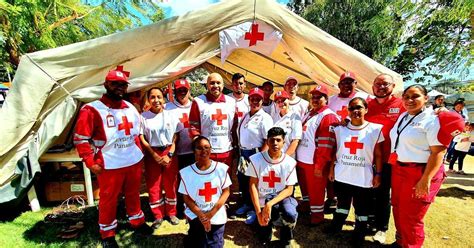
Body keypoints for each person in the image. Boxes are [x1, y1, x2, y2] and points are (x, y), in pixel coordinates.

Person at [73, 66, 151, 248]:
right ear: (106, 84)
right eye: (115, 83)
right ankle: (107, 233)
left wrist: (140, 156)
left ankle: (137, 222)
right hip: (109, 164)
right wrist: (90, 162)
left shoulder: (131, 108)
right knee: (109, 199)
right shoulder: (91, 109)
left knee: (133, 194)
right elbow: (81, 139)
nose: (119, 87)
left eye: (123, 84)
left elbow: (137, 135)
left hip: (132, 161)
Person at [388, 84, 464, 248]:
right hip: (400, 169)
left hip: (421, 171)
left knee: (412, 216)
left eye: (415, 96)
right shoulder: (404, 116)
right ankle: (401, 241)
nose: (409, 100)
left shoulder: (432, 119)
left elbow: (438, 152)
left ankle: (412, 245)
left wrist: (425, 179)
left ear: (426, 98)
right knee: (398, 208)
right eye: (406, 96)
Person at [326, 97, 383, 247]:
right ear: (348, 111)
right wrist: (331, 168)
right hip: (343, 174)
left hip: (363, 177)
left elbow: (378, 155)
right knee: (342, 204)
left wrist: (378, 174)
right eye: (351, 108)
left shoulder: (375, 129)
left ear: (366, 109)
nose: (355, 111)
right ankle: (336, 225)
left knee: (362, 208)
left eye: (359, 107)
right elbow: (335, 151)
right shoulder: (340, 129)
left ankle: (359, 233)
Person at [364, 73, 405, 243]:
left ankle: (382, 228)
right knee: (367, 192)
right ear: (372, 87)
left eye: (385, 84)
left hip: (389, 159)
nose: (381, 87)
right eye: (377, 84)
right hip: (367, 157)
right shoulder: (368, 104)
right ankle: (370, 221)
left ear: (393, 87)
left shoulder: (401, 105)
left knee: (382, 193)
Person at [246, 127, 299, 247]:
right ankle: (267, 221)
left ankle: (286, 234)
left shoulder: (289, 162)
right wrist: (259, 212)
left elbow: (289, 189)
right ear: (267, 142)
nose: (275, 143)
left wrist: (269, 205)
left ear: (284, 142)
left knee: (290, 214)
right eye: (272, 140)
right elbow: (252, 186)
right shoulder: (256, 159)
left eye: (278, 140)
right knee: (264, 238)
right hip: (263, 199)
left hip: (281, 198)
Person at [295, 84, 339, 224]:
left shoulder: (328, 116)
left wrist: (320, 165)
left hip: (314, 162)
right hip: (302, 160)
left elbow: (326, 145)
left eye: (318, 97)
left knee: (316, 190)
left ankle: (317, 216)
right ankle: (307, 206)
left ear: (326, 99)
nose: (314, 99)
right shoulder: (310, 113)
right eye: (313, 97)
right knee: (306, 189)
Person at [140, 88, 182, 228]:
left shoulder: (171, 115)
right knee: (154, 186)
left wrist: (170, 153)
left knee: (171, 184)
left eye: (159, 97)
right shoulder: (143, 117)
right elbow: (142, 138)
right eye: (152, 97)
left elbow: (176, 135)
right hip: (152, 154)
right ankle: (158, 215)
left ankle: (171, 213)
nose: (156, 100)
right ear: (148, 99)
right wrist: (153, 154)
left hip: (169, 152)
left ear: (164, 99)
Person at [179, 136, 231, 248]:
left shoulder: (221, 169)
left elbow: (226, 192)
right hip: (196, 214)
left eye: (207, 147)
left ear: (211, 149)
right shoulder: (186, 172)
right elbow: (186, 197)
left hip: (216, 214)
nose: (204, 151)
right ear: (194, 151)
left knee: (215, 243)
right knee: (198, 242)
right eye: (199, 148)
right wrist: (202, 215)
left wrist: (210, 214)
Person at [235, 88, 273, 224]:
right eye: (252, 99)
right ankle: (246, 204)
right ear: (248, 100)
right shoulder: (246, 115)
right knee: (243, 180)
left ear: (262, 101)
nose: (255, 102)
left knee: (255, 183)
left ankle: (254, 209)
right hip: (244, 153)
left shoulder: (265, 118)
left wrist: (260, 158)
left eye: (258, 99)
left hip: (256, 153)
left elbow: (268, 140)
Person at [189, 73, 237, 167]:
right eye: (212, 83)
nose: (215, 86)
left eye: (218, 83)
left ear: (223, 85)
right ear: (207, 85)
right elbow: (193, 127)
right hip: (206, 153)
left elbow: (235, 127)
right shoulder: (198, 101)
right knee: (207, 180)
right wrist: (199, 149)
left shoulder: (231, 102)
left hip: (226, 151)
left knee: (225, 180)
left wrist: (235, 146)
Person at [165, 79, 195, 217]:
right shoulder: (168, 107)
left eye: (185, 90)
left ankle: (192, 206)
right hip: (176, 152)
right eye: (179, 90)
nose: (182, 93)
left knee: (192, 179)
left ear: (189, 90)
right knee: (177, 181)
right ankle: (178, 207)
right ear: (175, 92)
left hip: (194, 151)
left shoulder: (195, 105)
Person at [271, 90, 302, 157]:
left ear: (288, 100)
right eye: (278, 101)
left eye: (283, 100)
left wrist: (284, 158)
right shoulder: (274, 117)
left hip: (288, 158)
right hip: (274, 157)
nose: (281, 103)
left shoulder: (295, 117)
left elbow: (296, 141)